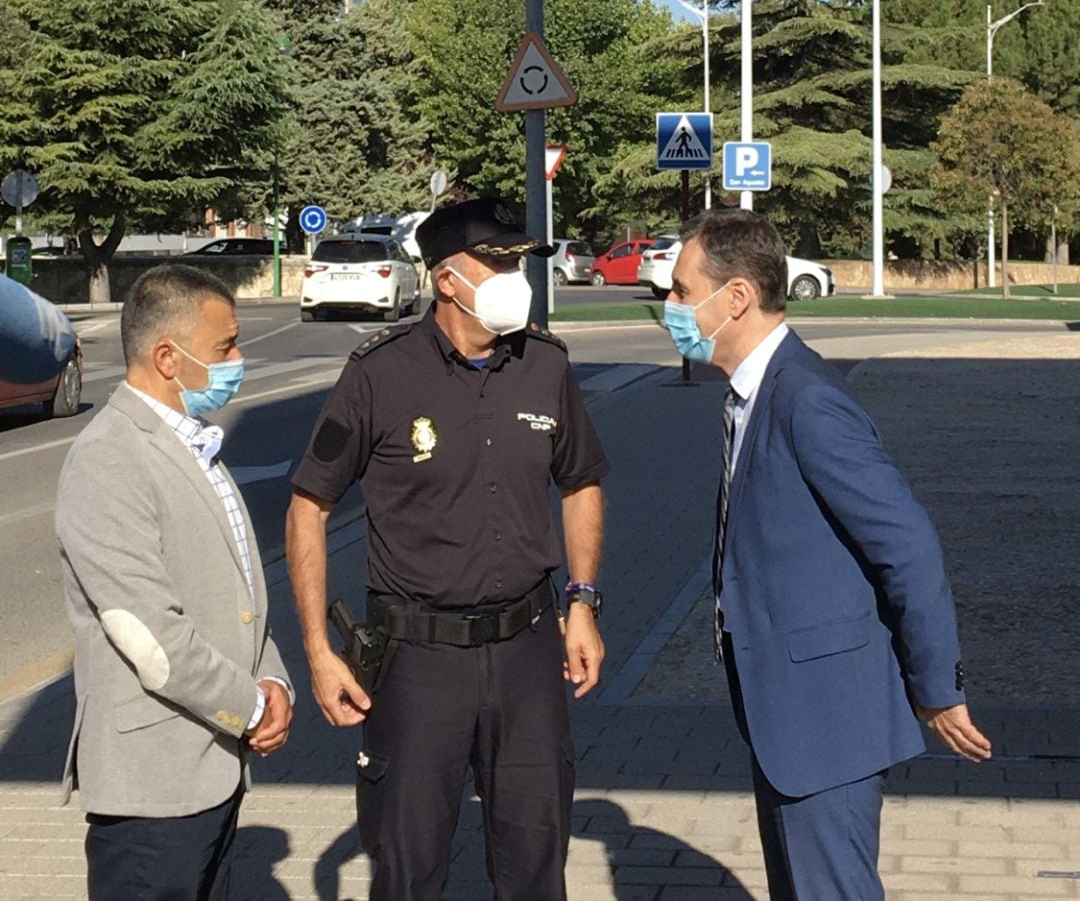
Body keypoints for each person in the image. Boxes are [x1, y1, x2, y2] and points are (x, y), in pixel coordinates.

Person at [286, 197, 609, 901]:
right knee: (407, 868)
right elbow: (309, 505)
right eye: (494, 262)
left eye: (517, 263)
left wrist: (583, 602)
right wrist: (317, 650)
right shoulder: (380, 374)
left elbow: (581, 482)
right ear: (445, 279)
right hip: (416, 664)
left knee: (535, 866)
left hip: (527, 655)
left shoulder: (544, 365)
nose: (510, 278)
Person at [664, 209, 990, 901]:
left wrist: (938, 687)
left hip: (827, 720)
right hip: (787, 711)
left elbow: (907, 545)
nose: (670, 307)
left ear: (737, 298)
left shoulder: (806, 400)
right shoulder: (755, 393)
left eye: (681, 291)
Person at [55, 263, 293, 900]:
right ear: (168, 356)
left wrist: (272, 677)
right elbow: (148, 635)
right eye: (225, 347)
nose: (239, 359)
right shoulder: (109, 458)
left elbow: (239, 587)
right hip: (150, 790)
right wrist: (251, 707)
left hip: (211, 768)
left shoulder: (194, 446)